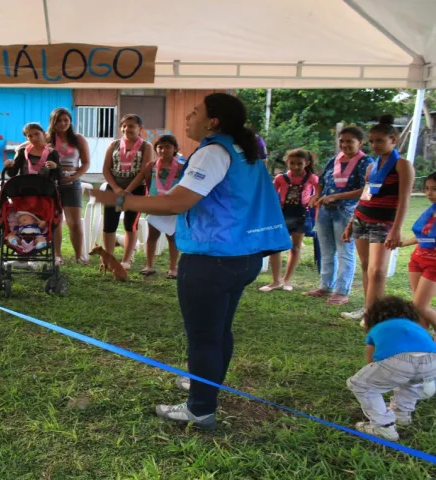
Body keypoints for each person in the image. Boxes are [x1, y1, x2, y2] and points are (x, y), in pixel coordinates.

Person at [91, 93, 290, 429]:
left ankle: (200, 408)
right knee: (219, 330)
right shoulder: (244, 149)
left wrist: (120, 200)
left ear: (213, 121)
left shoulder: (213, 152)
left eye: (195, 113)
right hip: (242, 256)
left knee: (203, 336)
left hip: (211, 260)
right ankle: (205, 382)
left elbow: (176, 203)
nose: (188, 118)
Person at [341, 116, 414, 320]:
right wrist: (350, 223)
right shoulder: (372, 167)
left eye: (380, 140)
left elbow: (404, 200)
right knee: (366, 267)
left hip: (384, 223)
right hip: (362, 219)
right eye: (372, 141)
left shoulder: (402, 165)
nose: (375, 145)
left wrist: (396, 229)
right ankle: (368, 309)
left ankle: (375, 316)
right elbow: (366, 195)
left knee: (377, 271)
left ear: (394, 140)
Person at [346, 296, 436, 441]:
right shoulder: (416, 327)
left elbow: (371, 360)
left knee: (360, 385)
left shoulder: (377, 329)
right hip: (432, 360)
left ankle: (383, 426)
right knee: (412, 383)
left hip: (401, 361)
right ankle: (402, 414)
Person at [304, 126, 371, 306]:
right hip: (325, 210)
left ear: (360, 142)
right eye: (341, 141)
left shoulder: (365, 162)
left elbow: (367, 190)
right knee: (326, 251)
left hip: (347, 212)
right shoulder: (334, 159)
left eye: (349, 141)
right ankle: (325, 286)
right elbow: (321, 181)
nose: (344, 145)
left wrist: (336, 196)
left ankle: (342, 291)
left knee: (345, 252)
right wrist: (317, 195)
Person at [259, 149, 319, 292]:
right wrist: (277, 201)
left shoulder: (311, 177)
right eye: (292, 163)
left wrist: (314, 197)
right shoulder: (281, 178)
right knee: (275, 246)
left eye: (299, 164)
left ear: (307, 163)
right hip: (282, 214)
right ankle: (275, 280)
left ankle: (286, 280)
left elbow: (319, 188)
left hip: (301, 214)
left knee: (296, 246)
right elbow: (272, 192)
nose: (295, 167)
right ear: (287, 162)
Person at [101, 114, 152, 271]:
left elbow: (144, 171)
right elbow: (106, 169)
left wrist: (128, 190)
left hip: (135, 190)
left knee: (130, 225)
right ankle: (109, 257)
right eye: (124, 126)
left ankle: (126, 260)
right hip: (114, 189)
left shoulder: (146, 146)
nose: (126, 129)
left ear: (140, 129)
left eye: (131, 126)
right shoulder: (114, 144)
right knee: (109, 224)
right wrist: (117, 189)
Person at [47, 108, 90, 265]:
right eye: (58, 120)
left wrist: (74, 176)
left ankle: (79, 255)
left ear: (70, 121)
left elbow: (86, 163)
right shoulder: (47, 139)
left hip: (72, 182)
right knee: (56, 220)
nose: (62, 123)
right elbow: (28, 145)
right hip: (52, 183)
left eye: (66, 120)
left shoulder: (78, 139)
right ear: (53, 122)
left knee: (75, 222)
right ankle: (57, 255)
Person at [142, 135, 182, 278]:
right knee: (152, 235)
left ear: (175, 149)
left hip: (172, 206)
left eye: (167, 147)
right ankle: (149, 265)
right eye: (160, 147)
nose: (163, 150)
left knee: (172, 236)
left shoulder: (180, 168)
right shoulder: (151, 166)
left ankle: (172, 268)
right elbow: (148, 183)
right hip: (155, 205)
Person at [401, 172, 436, 330]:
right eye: (427, 188)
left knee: (419, 306)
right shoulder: (430, 211)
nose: (429, 193)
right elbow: (423, 236)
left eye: (434, 189)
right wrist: (401, 244)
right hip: (417, 260)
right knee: (418, 307)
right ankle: (423, 345)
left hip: (433, 265)